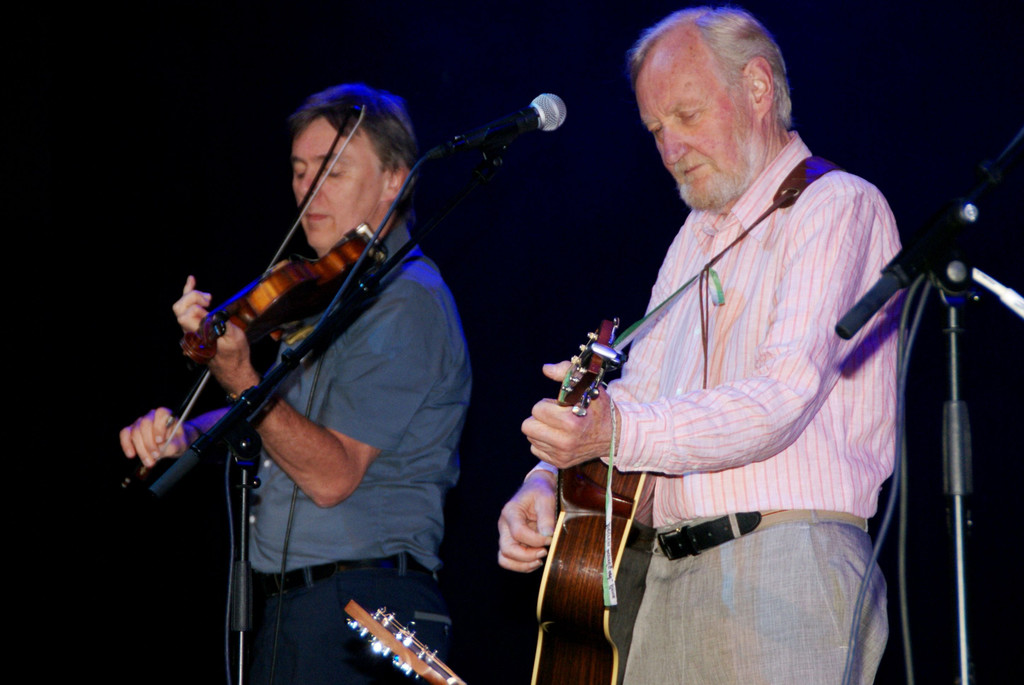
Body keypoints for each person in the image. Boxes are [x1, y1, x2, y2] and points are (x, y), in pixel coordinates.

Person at [497, 6, 900, 684]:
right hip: (666, 576)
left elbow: (781, 399)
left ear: (758, 88)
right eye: (656, 129)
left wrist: (612, 430)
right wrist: (551, 479)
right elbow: (639, 395)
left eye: (686, 115)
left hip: (784, 566)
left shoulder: (837, 205)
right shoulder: (693, 238)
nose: (670, 148)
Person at [121, 83, 472, 684]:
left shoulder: (406, 301)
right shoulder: (330, 294)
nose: (308, 189)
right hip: (303, 610)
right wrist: (187, 435)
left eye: (332, 170)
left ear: (394, 180)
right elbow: (286, 422)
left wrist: (240, 378)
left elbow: (332, 475)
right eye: (300, 170)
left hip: (362, 610)